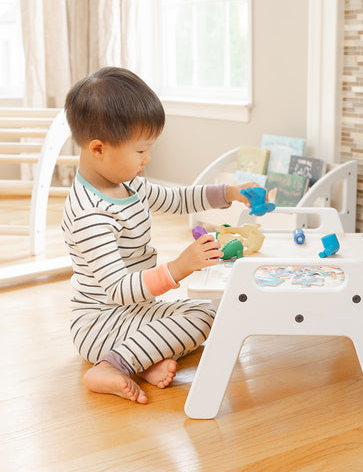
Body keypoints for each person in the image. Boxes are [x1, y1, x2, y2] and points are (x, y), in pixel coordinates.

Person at [61, 66, 255, 404]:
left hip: (134, 312)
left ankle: (138, 360)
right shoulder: (89, 214)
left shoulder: (127, 182)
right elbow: (120, 289)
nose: (147, 159)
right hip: (98, 323)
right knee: (202, 318)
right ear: (97, 149)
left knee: (209, 312)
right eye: (140, 151)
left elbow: (176, 199)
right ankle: (109, 367)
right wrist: (179, 267)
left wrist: (229, 192)